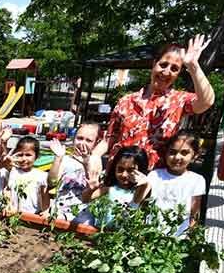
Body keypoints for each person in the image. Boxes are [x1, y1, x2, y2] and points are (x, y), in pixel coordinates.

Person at [92, 35, 215, 171]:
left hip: (154, 179)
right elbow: (110, 138)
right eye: (163, 65)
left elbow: (207, 101)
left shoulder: (179, 101)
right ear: (154, 64)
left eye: (174, 69)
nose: (166, 72)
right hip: (120, 175)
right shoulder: (126, 101)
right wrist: (95, 155)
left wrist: (193, 66)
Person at [146, 132, 207, 235]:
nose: (177, 157)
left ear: (194, 155)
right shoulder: (154, 176)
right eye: (172, 152)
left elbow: (194, 213)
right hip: (151, 234)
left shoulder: (197, 180)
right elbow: (144, 205)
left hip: (178, 238)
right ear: (166, 153)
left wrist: (190, 236)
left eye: (184, 153)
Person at [78, 146, 151, 227]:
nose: (124, 174)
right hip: (102, 234)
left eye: (131, 170)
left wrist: (144, 183)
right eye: (120, 169)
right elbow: (85, 199)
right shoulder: (110, 189)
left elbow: (136, 203)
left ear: (140, 170)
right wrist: (91, 190)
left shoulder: (143, 189)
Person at [47, 136, 90, 220]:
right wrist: (58, 158)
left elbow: (93, 188)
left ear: (96, 142)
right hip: (60, 211)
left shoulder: (96, 161)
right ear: (73, 139)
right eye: (79, 138)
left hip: (83, 215)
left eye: (88, 140)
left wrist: (86, 165)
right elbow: (52, 182)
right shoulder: (65, 160)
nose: (82, 143)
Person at [5, 136, 49, 215]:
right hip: (13, 213)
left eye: (28, 155)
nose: (23, 158)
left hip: (33, 214)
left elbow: (44, 195)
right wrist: (8, 204)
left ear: (36, 156)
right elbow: (8, 190)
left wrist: (45, 211)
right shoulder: (13, 172)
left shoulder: (41, 175)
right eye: (20, 155)